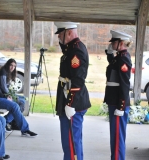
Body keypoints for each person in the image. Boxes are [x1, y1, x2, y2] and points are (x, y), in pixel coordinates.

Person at [54, 22, 91, 160]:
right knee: (71, 142)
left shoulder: (76, 50)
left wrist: (71, 103)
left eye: (60, 34)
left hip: (73, 102)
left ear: (69, 33)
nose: (58, 37)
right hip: (68, 99)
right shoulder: (71, 48)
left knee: (71, 144)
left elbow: (78, 79)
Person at [0, 56, 38, 137]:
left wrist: (6, 96)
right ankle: (25, 129)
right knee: (14, 105)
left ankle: (7, 121)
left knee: (19, 103)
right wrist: (5, 98)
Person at [104, 30, 132, 160]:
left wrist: (121, 106)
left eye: (114, 42)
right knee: (114, 136)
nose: (112, 44)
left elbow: (124, 85)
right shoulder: (119, 57)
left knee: (117, 137)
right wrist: (109, 53)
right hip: (113, 101)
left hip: (117, 103)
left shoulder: (124, 59)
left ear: (121, 43)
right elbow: (112, 65)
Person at [0, 58, 26, 130]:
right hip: (2, 96)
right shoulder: (3, 72)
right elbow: (3, 87)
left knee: (23, 100)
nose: (12, 67)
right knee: (21, 103)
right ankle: (7, 121)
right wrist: (10, 95)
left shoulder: (8, 72)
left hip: (6, 94)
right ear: (7, 65)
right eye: (11, 65)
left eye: (14, 66)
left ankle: (11, 122)